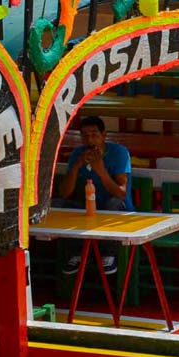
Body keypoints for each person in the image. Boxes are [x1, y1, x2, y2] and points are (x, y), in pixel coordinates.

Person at [57, 114, 132, 275]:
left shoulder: (119, 152)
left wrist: (100, 170)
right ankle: (76, 253)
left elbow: (121, 193)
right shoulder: (78, 153)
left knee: (112, 204)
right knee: (66, 205)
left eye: (94, 135)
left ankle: (109, 254)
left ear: (104, 135)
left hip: (115, 208)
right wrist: (77, 166)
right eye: (85, 136)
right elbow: (64, 193)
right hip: (88, 206)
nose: (89, 141)